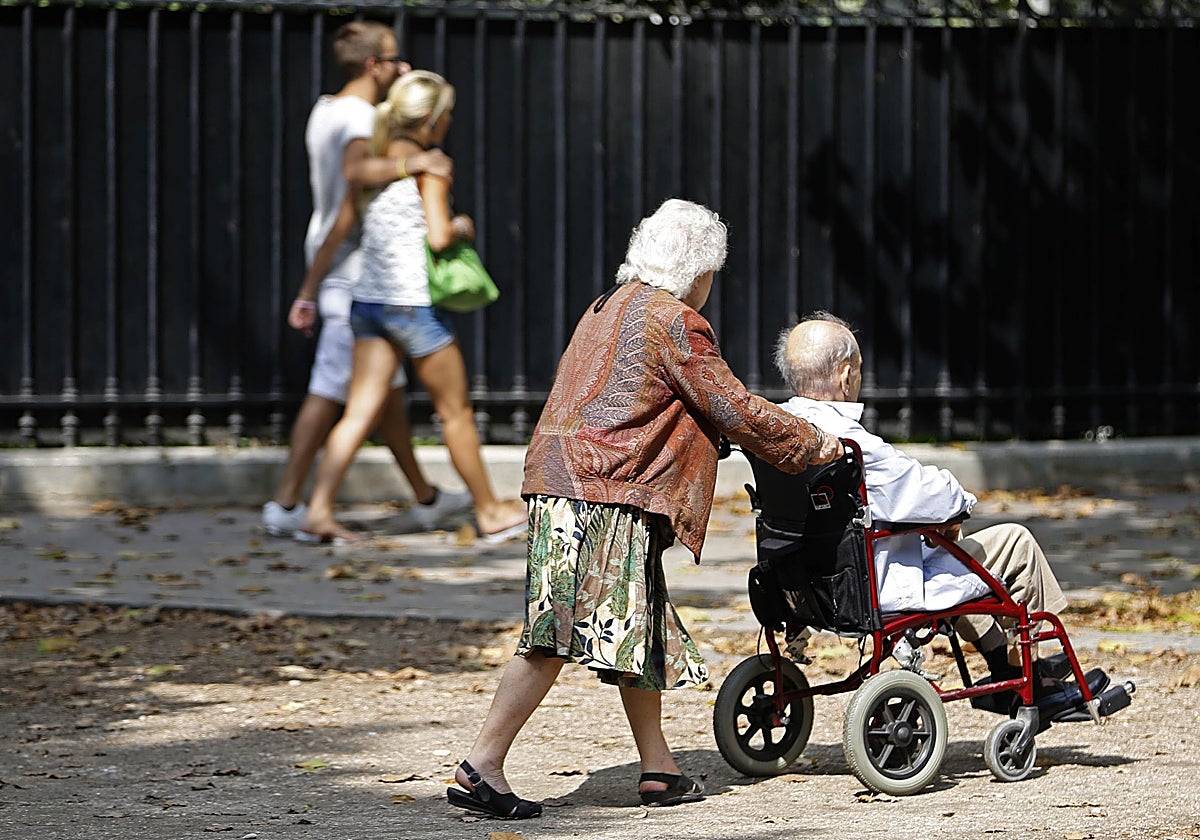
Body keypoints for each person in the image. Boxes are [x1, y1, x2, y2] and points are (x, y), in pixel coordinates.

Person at [445, 199, 843, 820]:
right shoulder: (676, 322)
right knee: (554, 633)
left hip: (568, 481)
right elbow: (732, 407)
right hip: (602, 490)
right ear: (698, 269)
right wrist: (810, 441)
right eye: (714, 271)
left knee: (640, 625)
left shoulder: (607, 306)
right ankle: (482, 763)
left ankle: (658, 766)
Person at [774, 311, 1109, 717]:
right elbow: (940, 496)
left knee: (954, 555)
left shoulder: (779, 431)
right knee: (1013, 542)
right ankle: (1038, 670)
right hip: (876, 583)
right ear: (845, 376)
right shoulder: (856, 446)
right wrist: (959, 507)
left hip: (810, 583)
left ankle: (1002, 661)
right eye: (859, 370)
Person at [293, 69, 527, 545]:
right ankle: (488, 511)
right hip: (415, 307)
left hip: (369, 303)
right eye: (447, 114)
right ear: (433, 119)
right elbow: (439, 236)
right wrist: (462, 225)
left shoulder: (374, 165)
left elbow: (341, 226)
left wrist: (307, 291)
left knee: (358, 412)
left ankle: (317, 510)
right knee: (455, 412)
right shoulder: (430, 166)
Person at [263, 21, 472, 541]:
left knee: (382, 399)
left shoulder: (325, 109)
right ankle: (289, 504)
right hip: (357, 272)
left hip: (347, 268)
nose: (402, 68)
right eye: (394, 59)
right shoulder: (360, 117)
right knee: (336, 395)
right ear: (373, 66)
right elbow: (356, 177)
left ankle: (424, 497)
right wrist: (417, 160)